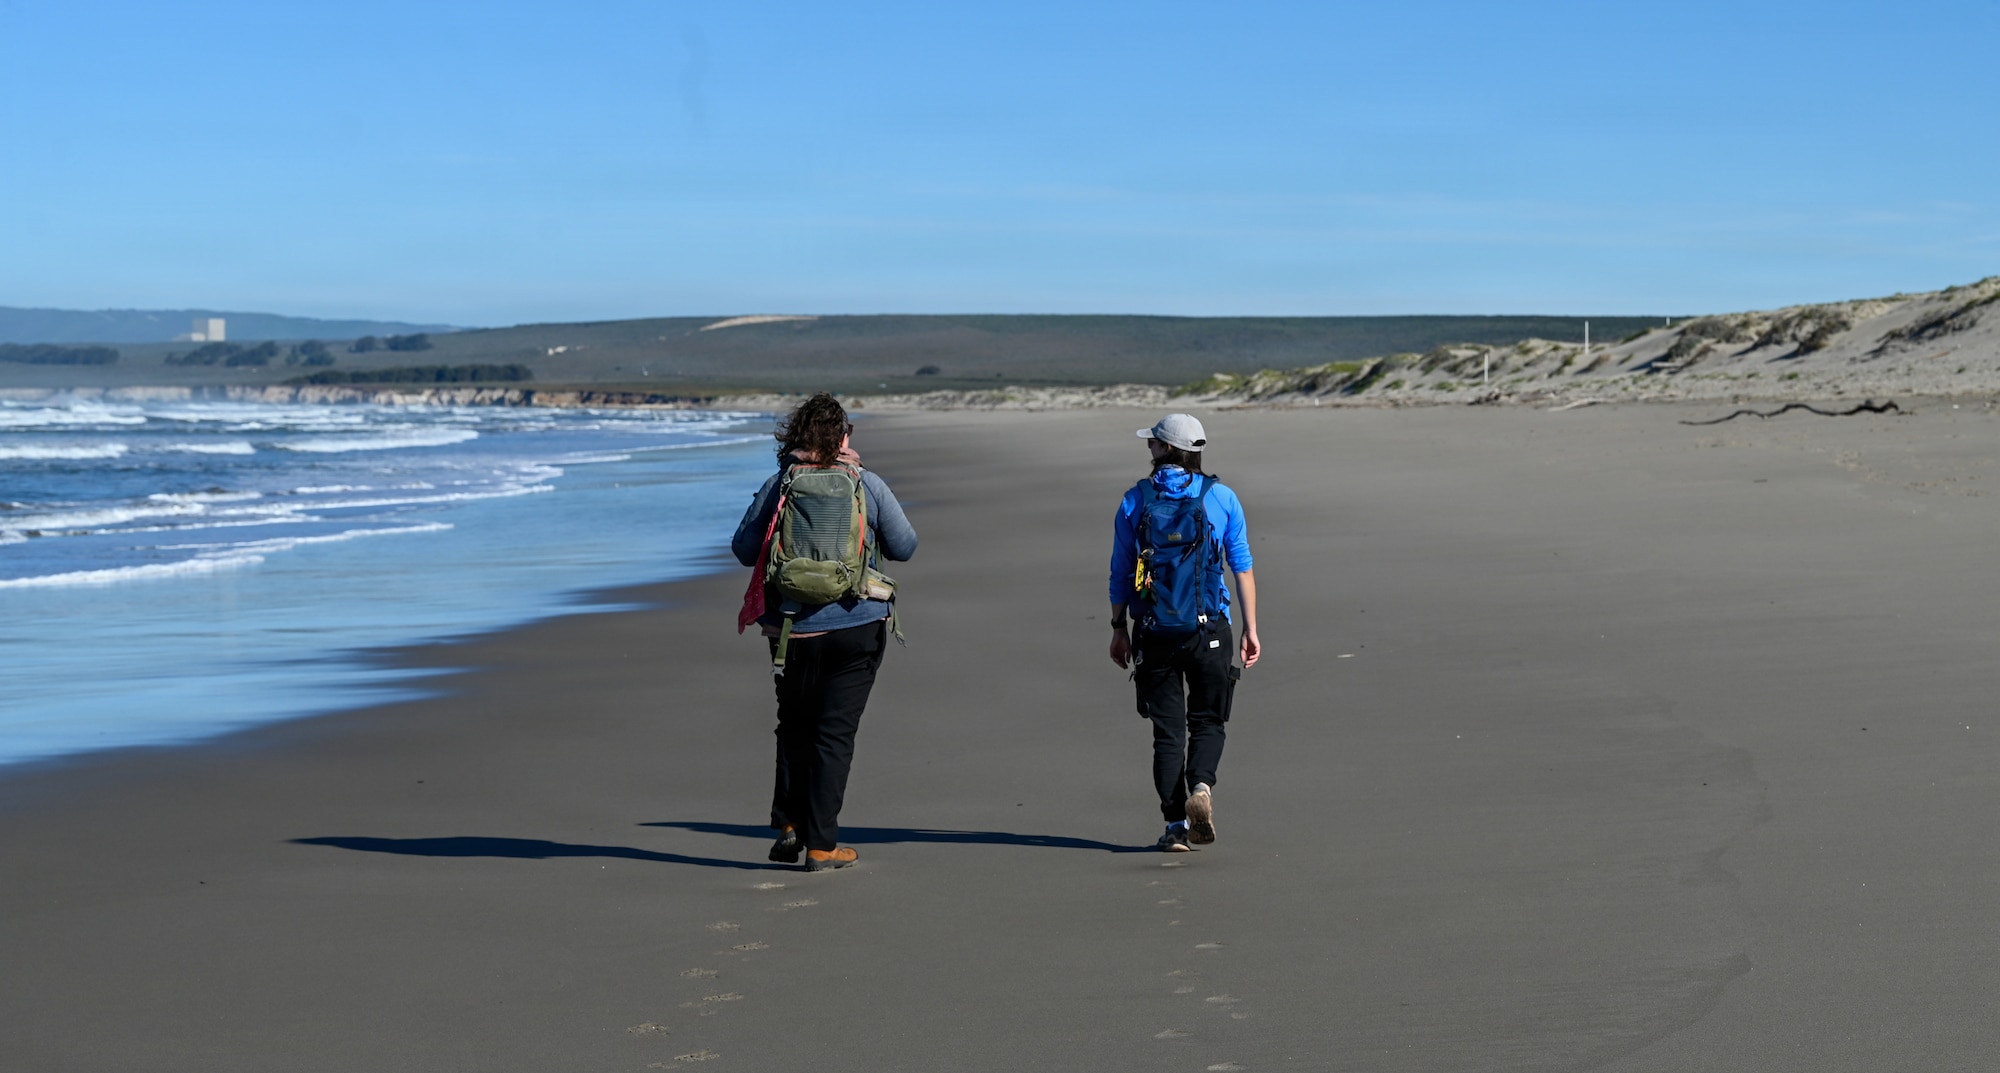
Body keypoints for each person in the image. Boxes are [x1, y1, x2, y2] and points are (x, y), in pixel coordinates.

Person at [732, 394, 917, 871]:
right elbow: (905, 545)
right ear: (844, 437)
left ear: (795, 436)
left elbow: (743, 548)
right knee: (834, 734)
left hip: (791, 630)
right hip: (857, 625)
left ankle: (791, 824)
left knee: (794, 726)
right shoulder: (865, 482)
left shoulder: (781, 484)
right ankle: (822, 844)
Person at [1107, 413, 1260, 852]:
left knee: (1167, 733)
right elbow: (1242, 568)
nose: (1149, 448)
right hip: (1210, 629)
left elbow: (1120, 574)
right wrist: (1250, 628)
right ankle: (1202, 789)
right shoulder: (1223, 497)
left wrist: (1119, 628)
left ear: (1166, 450)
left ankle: (1175, 826)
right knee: (1209, 720)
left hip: (1153, 631)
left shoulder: (1135, 500)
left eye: (1153, 442)